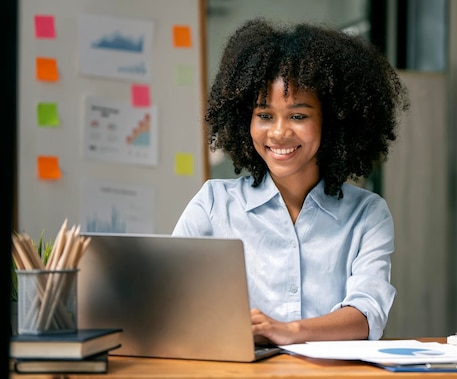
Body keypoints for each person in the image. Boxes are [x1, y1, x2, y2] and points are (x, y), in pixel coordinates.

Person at [172, 18, 409, 345]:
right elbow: (168, 297)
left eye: (298, 116)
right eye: (265, 115)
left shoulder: (367, 213)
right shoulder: (213, 205)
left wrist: (286, 331)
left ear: (334, 121)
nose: (279, 132)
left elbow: (367, 314)